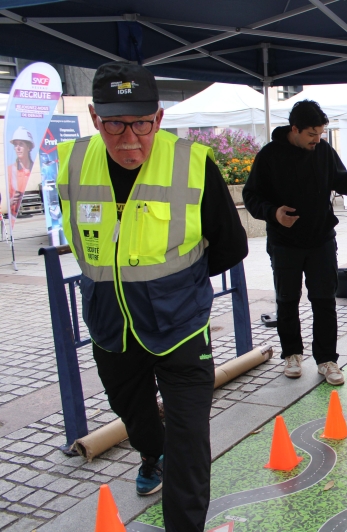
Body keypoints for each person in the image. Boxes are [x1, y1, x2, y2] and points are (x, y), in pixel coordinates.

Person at [56, 62, 248, 531]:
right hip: (110, 326)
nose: (128, 138)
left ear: (158, 119)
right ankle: (151, 451)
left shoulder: (193, 162)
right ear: (95, 118)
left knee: (189, 438)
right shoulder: (73, 163)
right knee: (134, 414)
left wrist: (179, 285)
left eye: (140, 123)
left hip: (181, 326)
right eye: (115, 124)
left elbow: (231, 244)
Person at [243, 100, 347, 385]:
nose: (316, 140)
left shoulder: (323, 151)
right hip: (284, 241)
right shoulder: (269, 155)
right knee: (287, 299)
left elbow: (340, 179)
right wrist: (274, 213)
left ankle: (327, 359)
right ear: (294, 129)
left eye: (320, 134)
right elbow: (251, 196)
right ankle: (292, 354)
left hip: (321, 239)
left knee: (324, 300)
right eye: (311, 134)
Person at [6, 126, 35, 218]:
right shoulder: (10, 170)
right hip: (15, 217)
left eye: (21, 144)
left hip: (34, 216)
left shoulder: (34, 169)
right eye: (15, 145)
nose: (17, 148)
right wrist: (11, 202)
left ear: (29, 147)